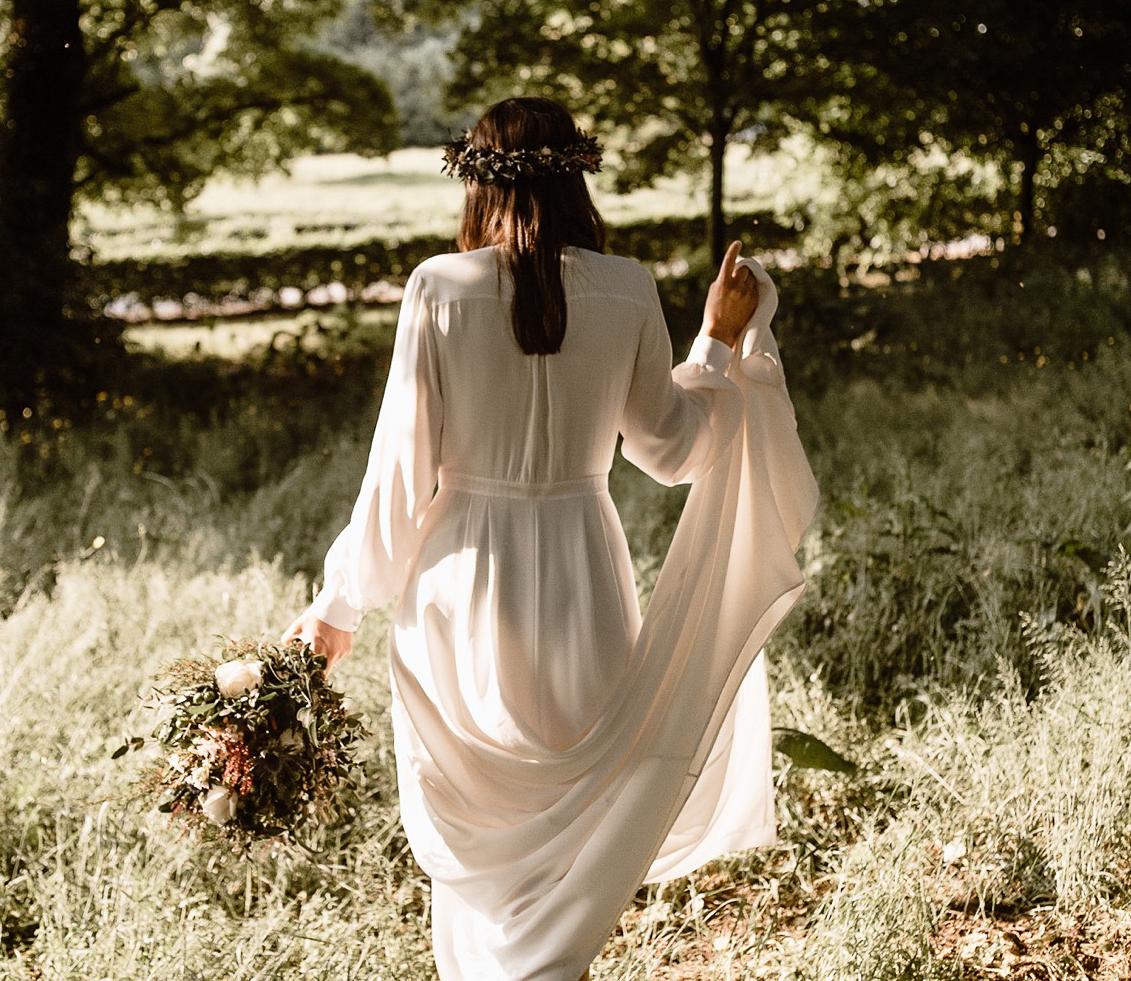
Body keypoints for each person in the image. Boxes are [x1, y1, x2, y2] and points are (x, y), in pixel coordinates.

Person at [283, 96, 818, 980]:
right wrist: (718, 344)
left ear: (477, 183)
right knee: (566, 832)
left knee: (479, 847)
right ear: (578, 177)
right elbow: (676, 451)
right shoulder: (628, 288)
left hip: (461, 584)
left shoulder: (439, 289)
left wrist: (340, 601)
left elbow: (396, 482)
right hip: (581, 571)